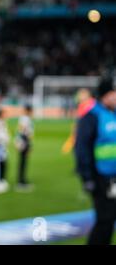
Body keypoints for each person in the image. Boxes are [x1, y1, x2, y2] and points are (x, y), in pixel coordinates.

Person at [74, 77, 116, 245]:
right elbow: (81, 148)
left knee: (111, 218)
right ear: (106, 95)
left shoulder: (112, 114)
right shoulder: (92, 117)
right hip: (100, 178)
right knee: (105, 220)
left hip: (113, 177)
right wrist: (87, 178)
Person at [15, 104, 34, 191]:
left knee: (23, 161)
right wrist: (28, 144)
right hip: (23, 142)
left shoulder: (24, 118)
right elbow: (23, 131)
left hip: (22, 141)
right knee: (23, 162)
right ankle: (21, 181)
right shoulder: (25, 119)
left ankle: (22, 180)